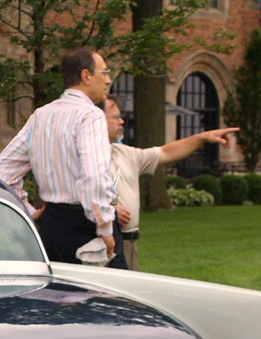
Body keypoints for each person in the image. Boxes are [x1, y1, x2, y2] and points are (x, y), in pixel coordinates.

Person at [0, 48, 116, 263]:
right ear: (86, 76)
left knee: (56, 294)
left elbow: (2, 171)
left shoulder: (41, 115)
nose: (108, 80)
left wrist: (28, 210)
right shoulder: (91, 115)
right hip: (85, 227)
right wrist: (104, 227)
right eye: (104, 73)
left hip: (51, 225)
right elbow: (94, 176)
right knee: (107, 294)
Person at [102, 96, 238, 271]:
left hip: (131, 242)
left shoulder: (125, 153)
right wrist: (110, 210)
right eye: (115, 117)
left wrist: (204, 137)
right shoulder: (83, 159)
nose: (122, 121)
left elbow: (166, 152)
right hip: (108, 244)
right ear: (98, 121)